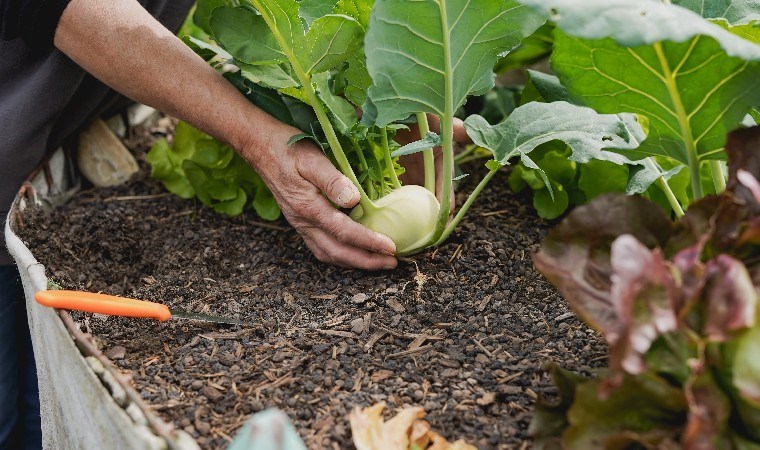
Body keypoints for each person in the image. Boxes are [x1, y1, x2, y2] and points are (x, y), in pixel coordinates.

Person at [0, 0, 470, 447]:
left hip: (79, 116)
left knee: (42, 395)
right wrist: (256, 138)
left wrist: (401, 97)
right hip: (16, 139)